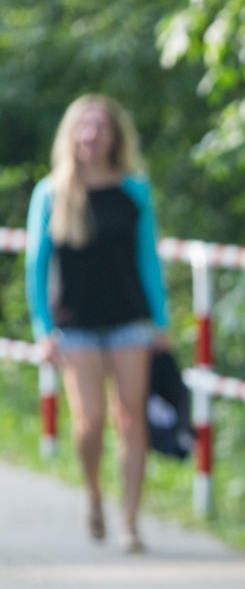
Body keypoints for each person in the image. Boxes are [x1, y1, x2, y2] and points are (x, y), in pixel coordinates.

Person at [26, 95, 170, 553]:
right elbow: (36, 265)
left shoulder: (135, 191)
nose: (91, 136)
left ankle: (129, 521)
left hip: (129, 320)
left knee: (131, 421)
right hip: (77, 324)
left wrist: (160, 321)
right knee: (89, 422)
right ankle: (92, 492)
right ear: (72, 135)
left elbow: (148, 259)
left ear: (113, 135)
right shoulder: (52, 193)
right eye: (83, 128)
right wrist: (42, 329)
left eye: (99, 127)